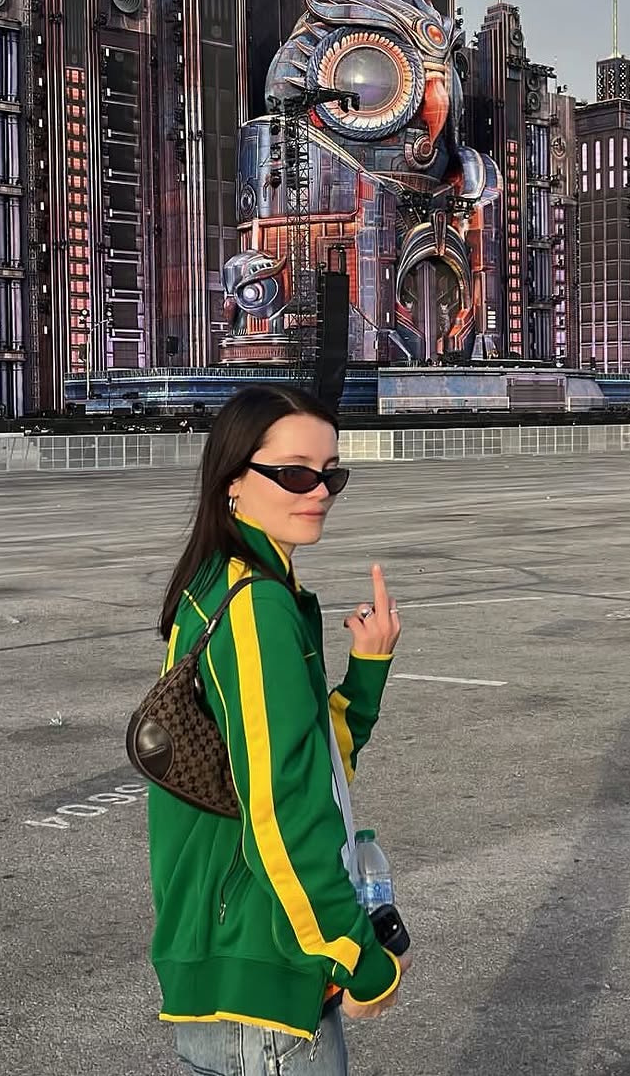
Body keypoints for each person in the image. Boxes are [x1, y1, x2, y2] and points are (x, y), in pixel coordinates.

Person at [148, 384, 407, 1076]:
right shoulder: (256, 606)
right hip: (263, 968)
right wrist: (354, 955)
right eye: (295, 473)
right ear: (234, 480)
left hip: (227, 956)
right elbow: (283, 808)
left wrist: (367, 672)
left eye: (331, 475)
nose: (318, 491)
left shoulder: (218, 584)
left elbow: (306, 764)